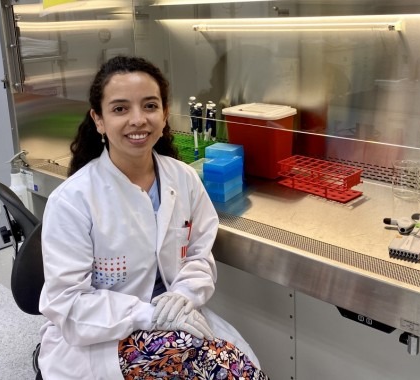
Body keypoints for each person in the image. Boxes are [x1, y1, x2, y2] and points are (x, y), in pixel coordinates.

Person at [38, 56, 267, 380]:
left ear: (164, 114)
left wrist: (182, 297)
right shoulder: (74, 200)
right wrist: (148, 315)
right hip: (101, 337)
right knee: (211, 364)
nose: (138, 119)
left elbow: (199, 255)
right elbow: (69, 305)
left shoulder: (184, 180)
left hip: (179, 324)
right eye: (120, 109)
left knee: (238, 370)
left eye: (149, 106)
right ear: (98, 119)